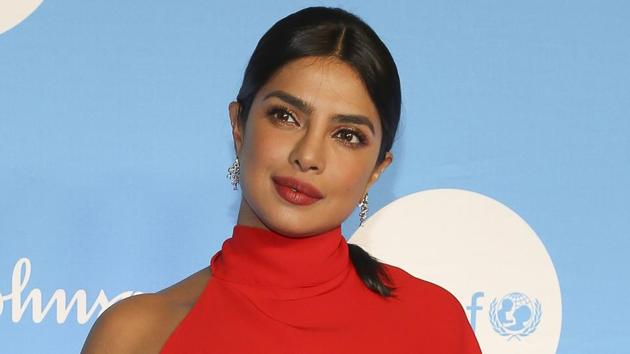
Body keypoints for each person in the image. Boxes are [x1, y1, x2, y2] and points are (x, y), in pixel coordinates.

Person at [81, 6, 482, 354]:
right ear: (239, 127)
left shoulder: (432, 326)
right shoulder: (135, 335)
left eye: (347, 135)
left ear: (377, 170)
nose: (308, 156)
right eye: (286, 116)